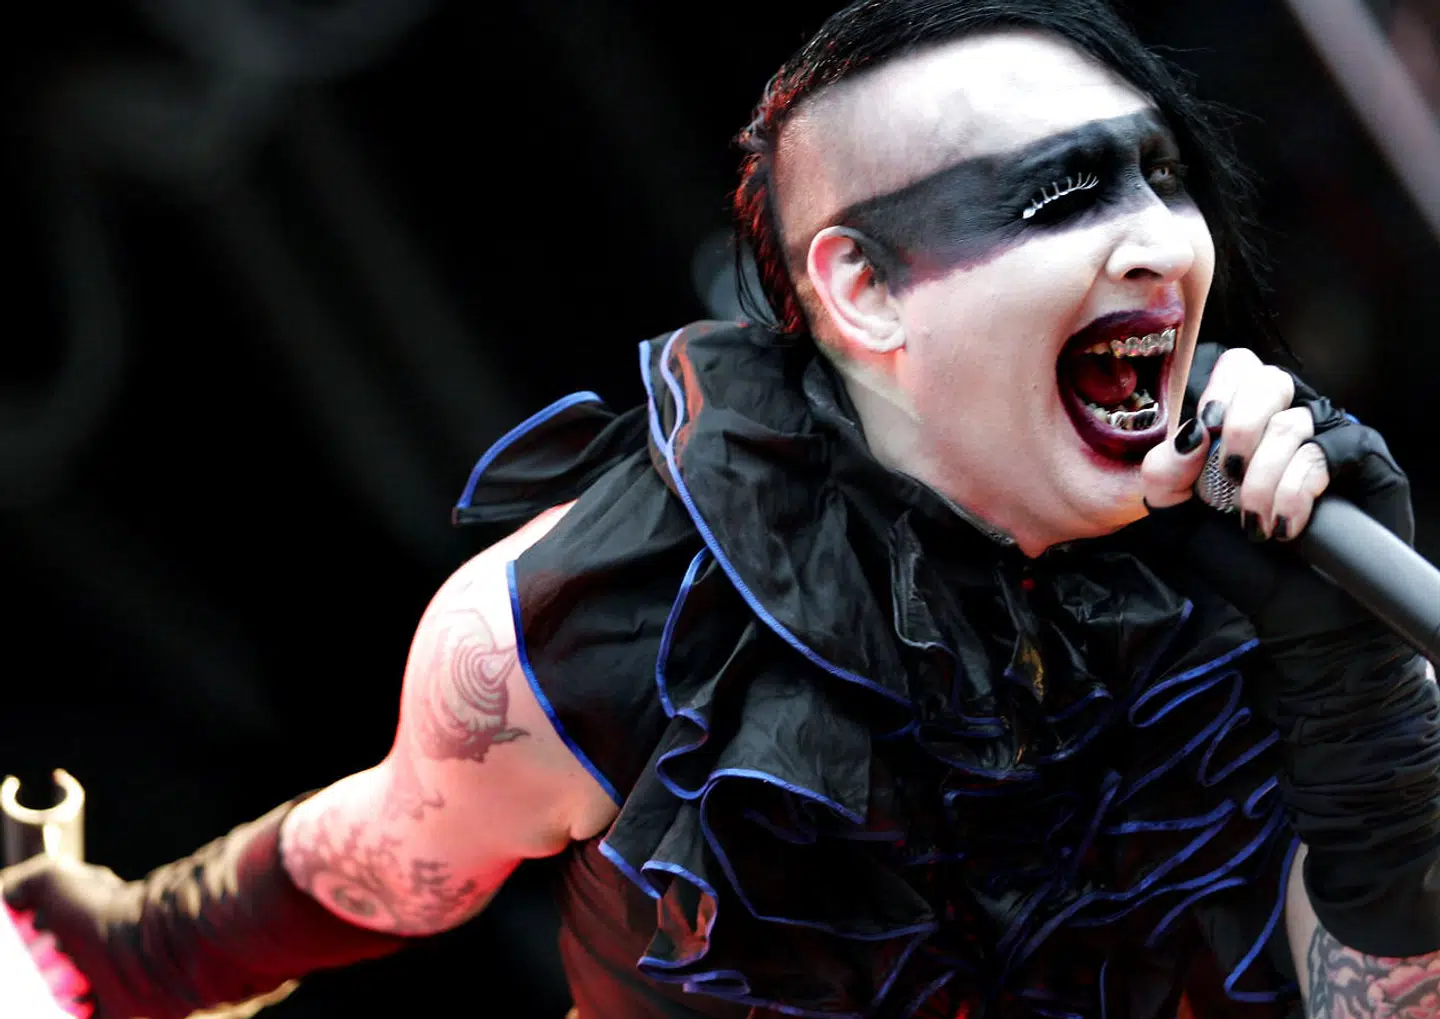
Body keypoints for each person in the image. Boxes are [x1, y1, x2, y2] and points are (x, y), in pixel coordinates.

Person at [4, 1, 1438, 1017]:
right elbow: (390, 857)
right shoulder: (619, 617)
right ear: (863, 290)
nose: (1156, 239)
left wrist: (1368, 695)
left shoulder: (1262, 578)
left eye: (1162, 173)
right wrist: (118, 949)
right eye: (1058, 195)